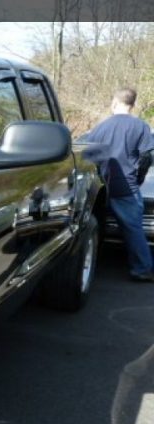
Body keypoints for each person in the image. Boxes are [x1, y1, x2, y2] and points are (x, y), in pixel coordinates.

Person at [86, 88, 154, 281]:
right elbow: (146, 157)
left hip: (99, 188)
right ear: (133, 105)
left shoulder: (100, 127)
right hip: (127, 188)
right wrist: (138, 179)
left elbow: (88, 157)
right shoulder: (140, 126)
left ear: (114, 102)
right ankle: (142, 270)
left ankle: (92, 263)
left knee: (93, 226)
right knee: (133, 229)